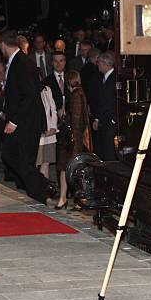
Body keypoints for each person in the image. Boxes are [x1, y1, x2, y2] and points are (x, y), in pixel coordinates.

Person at [0, 29, 56, 204]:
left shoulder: (21, 62)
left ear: (2, 44)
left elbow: (30, 95)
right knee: (12, 156)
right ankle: (41, 189)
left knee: (23, 161)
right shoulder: (17, 61)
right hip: (23, 120)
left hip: (26, 122)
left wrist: (14, 121)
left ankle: (43, 188)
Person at [54, 70, 92, 210]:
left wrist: (63, 118)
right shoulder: (80, 93)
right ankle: (67, 198)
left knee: (69, 169)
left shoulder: (76, 95)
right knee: (68, 168)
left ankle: (71, 199)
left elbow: (76, 120)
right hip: (74, 138)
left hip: (72, 139)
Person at [93, 51, 117, 161]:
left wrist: (98, 119)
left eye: (99, 63)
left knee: (109, 149)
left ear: (105, 64)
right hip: (106, 120)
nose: (97, 65)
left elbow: (107, 102)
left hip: (109, 120)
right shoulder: (105, 78)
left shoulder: (113, 79)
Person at [36, 83, 57, 179]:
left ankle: (45, 188)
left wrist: (53, 127)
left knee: (46, 162)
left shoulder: (47, 89)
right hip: (38, 133)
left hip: (49, 133)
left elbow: (53, 109)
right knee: (36, 162)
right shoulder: (30, 89)